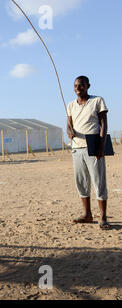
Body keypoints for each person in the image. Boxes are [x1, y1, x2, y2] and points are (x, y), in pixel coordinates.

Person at [67, 76, 110, 230]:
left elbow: (104, 123)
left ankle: (103, 216)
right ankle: (87, 214)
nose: (78, 88)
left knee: (99, 181)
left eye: (81, 85)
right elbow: (68, 125)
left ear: (88, 86)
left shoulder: (97, 101)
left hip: (93, 146)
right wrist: (69, 132)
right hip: (76, 147)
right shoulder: (71, 105)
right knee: (81, 182)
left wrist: (101, 146)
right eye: (76, 86)